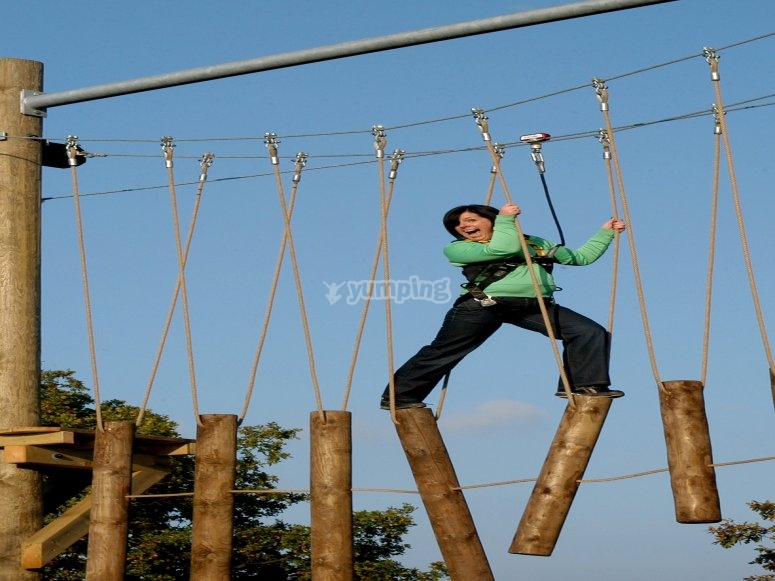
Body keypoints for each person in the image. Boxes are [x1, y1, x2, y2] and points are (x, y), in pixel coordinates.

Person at [380, 202, 626, 410]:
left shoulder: (533, 242)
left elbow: (580, 258)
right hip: (482, 306)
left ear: (490, 220)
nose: (464, 226)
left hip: (533, 305)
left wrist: (605, 233)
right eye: (458, 224)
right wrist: (506, 220)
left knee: (588, 332)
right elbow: (504, 247)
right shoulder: (459, 248)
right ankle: (399, 397)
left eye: (470, 220)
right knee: (444, 351)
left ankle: (583, 385)